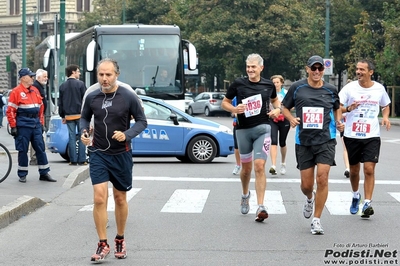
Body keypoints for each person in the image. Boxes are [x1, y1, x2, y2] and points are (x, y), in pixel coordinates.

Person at [80, 58, 147, 262]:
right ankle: (102, 243)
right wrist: (84, 132)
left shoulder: (128, 96)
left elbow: (142, 122)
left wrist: (127, 134)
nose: (104, 78)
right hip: (98, 152)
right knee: (99, 197)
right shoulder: (92, 97)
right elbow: (84, 117)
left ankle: (119, 238)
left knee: (120, 198)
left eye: (108, 74)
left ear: (116, 74)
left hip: (121, 153)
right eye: (101, 74)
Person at [281, 55, 343, 235]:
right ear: (307, 69)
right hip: (304, 141)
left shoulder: (331, 89)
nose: (317, 72)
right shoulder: (297, 87)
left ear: (324, 70)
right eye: (313, 68)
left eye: (320, 69)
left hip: (326, 139)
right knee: (306, 185)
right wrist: (291, 119)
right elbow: (285, 107)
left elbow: (337, 106)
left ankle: (317, 220)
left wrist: (338, 122)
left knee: (322, 178)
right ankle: (310, 197)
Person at [222, 53, 281, 222]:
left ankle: (261, 206)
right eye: (248, 67)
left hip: (263, 128)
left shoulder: (268, 84)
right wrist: (234, 109)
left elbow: (276, 102)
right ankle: (245, 194)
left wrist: (277, 109)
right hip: (243, 130)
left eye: (253, 67)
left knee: (260, 166)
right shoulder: (238, 84)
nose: (250, 70)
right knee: (246, 169)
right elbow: (224, 102)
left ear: (261, 68)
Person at [339, 59, 391, 218]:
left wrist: (386, 117)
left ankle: (367, 202)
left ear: (370, 72)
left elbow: (385, 105)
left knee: (369, 169)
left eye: (362, 69)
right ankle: (356, 195)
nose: (358, 72)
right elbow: (337, 106)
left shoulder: (379, 89)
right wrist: (348, 109)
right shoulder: (349, 88)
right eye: (357, 69)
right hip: (352, 134)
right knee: (354, 170)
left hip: (371, 135)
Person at [6, 68, 56, 183]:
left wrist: (41, 123)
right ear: (23, 78)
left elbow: (41, 108)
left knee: (40, 148)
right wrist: (13, 126)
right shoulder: (16, 92)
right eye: (30, 76)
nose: (33, 78)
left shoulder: (35, 90)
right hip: (23, 125)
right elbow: (10, 111)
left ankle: (44, 173)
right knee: (22, 150)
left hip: (35, 124)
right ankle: (22, 174)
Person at [58, 64, 87, 166]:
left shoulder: (62, 86)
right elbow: (85, 100)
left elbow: (60, 103)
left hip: (69, 116)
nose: (79, 73)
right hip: (80, 115)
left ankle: (73, 160)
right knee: (82, 136)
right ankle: (82, 159)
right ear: (73, 72)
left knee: (71, 137)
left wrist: (62, 115)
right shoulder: (81, 85)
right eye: (78, 71)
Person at [269, 75, 291, 175]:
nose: (276, 84)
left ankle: (283, 163)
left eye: (277, 82)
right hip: (273, 120)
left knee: (282, 142)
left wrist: (283, 111)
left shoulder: (286, 93)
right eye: (274, 83)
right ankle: (273, 165)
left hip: (284, 120)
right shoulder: (269, 93)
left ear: (281, 83)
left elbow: (291, 106)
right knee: (273, 141)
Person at [29, 69, 48, 165]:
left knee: (38, 136)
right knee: (36, 136)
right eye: (44, 77)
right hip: (37, 116)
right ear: (38, 77)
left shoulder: (39, 87)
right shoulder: (36, 87)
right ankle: (34, 157)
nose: (46, 78)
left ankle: (36, 157)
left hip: (40, 115)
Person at [231, 96, 241, 175]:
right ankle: (238, 165)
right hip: (237, 123)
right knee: (236, 146)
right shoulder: (235, 98)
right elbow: (232, 110)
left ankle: (247, 166)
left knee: (249, 147)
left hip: (250, 124)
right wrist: (234, 112)